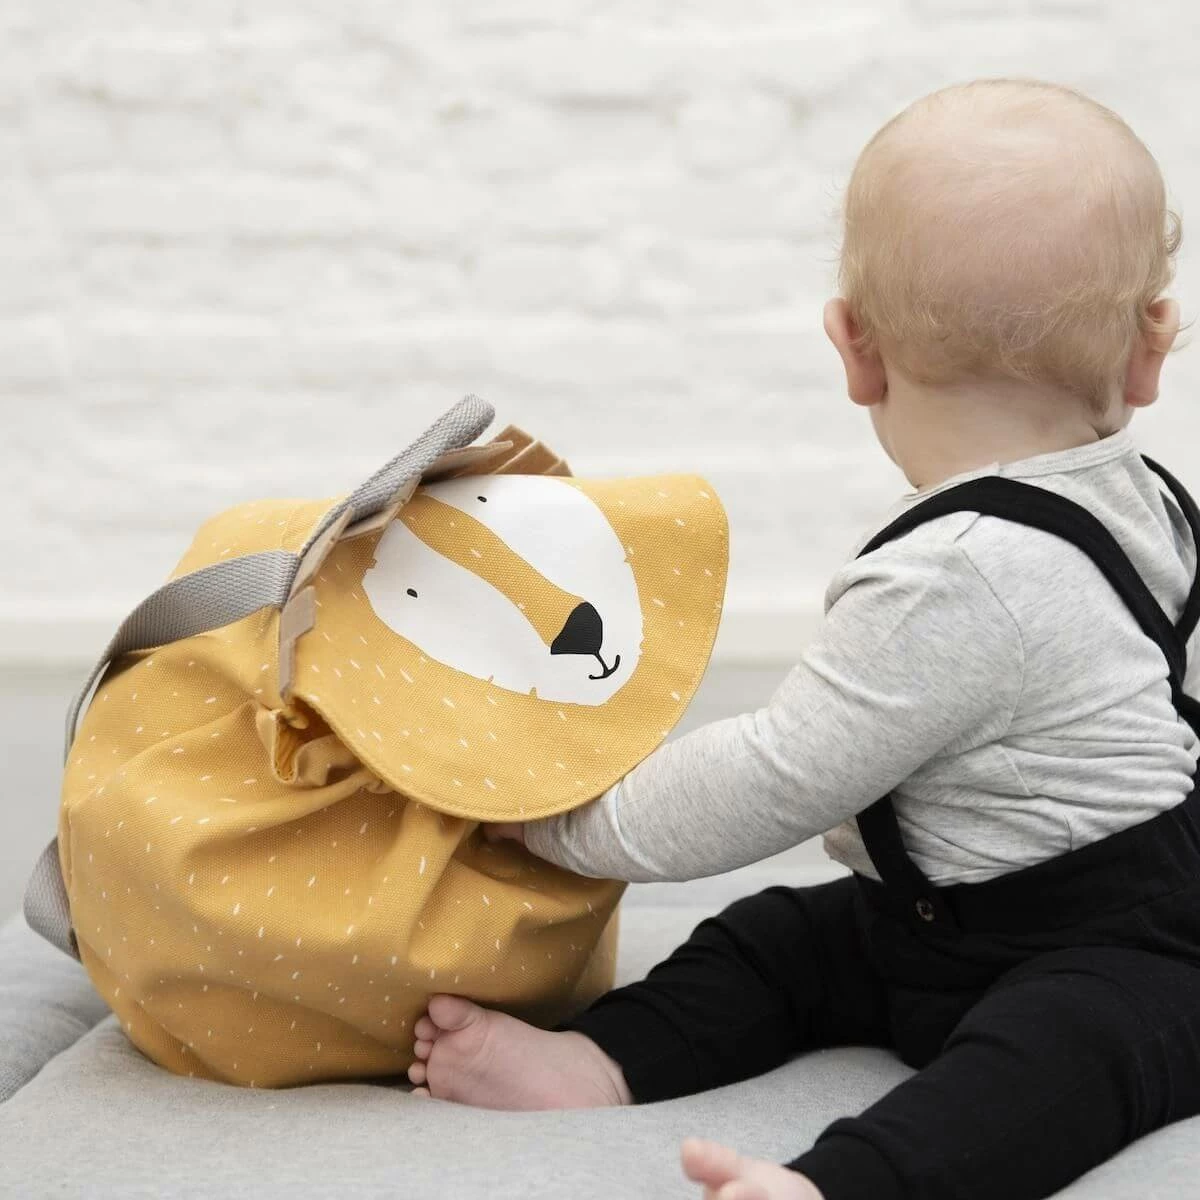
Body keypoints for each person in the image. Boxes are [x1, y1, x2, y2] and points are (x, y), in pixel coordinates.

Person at [410, 79, 1200, 1200]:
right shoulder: (1144, 497)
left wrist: (554, 821)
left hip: (1126, 942)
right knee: (777, 940)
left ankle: (845, 1184)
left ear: (854, 349)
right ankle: (603, 1059)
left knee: (1058, 1055)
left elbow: (773, 777)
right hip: (928, 917)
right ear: (1151, 347)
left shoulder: (951, 578)